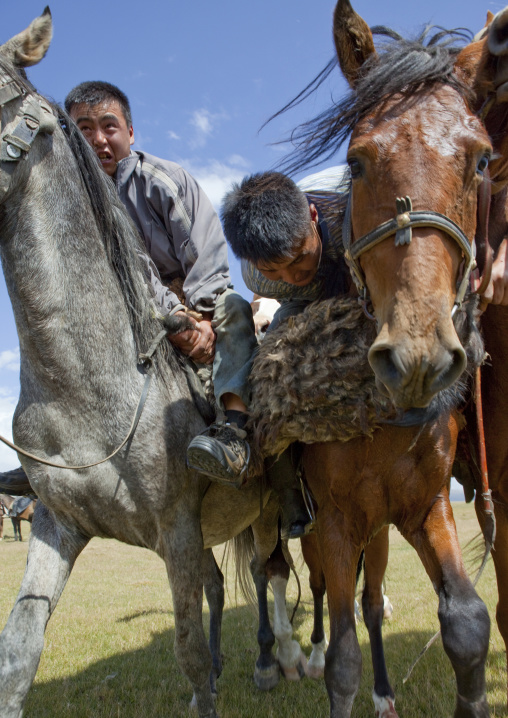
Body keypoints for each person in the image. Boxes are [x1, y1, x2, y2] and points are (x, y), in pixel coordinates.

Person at [1, 81, 258, 493]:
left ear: (130, 133)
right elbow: (126, 274)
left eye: (108, 126)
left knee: (236, 311)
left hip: (192, 298)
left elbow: (201, 247)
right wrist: (166, 318)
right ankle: (48, 462)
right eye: (83, 129)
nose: (98, 139)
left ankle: (235, 430)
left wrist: (200, 315)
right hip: (131, 313)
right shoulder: (75, 208)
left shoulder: (162, 180)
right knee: (49, 342)